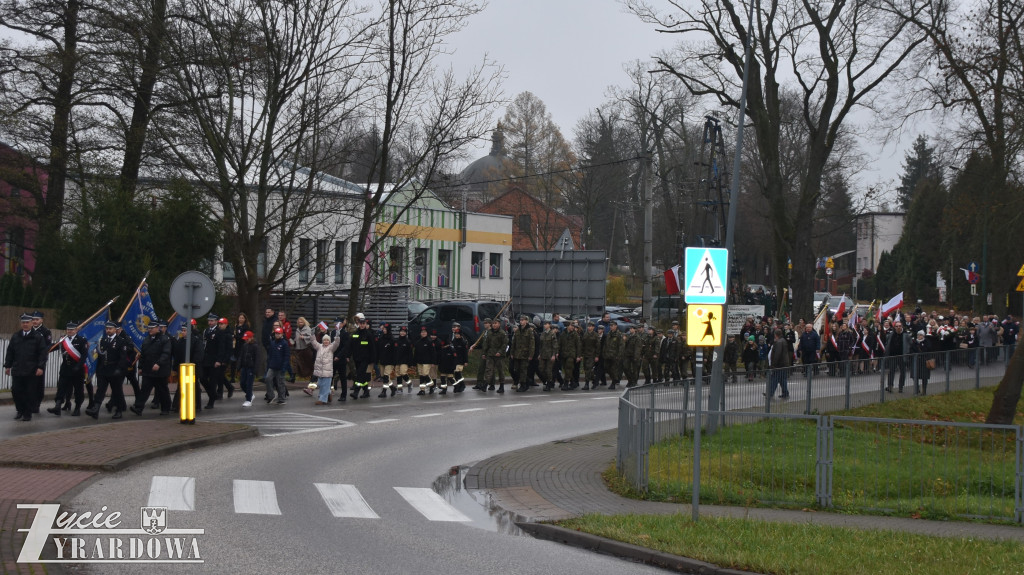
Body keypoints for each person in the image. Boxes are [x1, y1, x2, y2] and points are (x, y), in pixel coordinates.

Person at [5, 313, 47, 422]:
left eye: (27, 322)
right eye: (23, 322)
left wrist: (40, 367)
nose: (25, 324)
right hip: (18, 369)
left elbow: (42, 353)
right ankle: (20, 410)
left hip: (31, 370)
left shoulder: (37, 337)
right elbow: (10, 352)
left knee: (29, 393)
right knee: (16, 391)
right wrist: (8, 365)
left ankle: (27, 413)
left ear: (31, 323)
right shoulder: (16, 336)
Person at [130, 319, 173, 415]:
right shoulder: (147, 339)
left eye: (152, 328)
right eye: (148, 328)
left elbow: (166, 353)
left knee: (162, 390)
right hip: (148, 369)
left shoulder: (164, 339)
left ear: (157, 328)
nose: (150, 330)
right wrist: (140, 367)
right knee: (144, 389)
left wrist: (159, 363)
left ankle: (166, 408)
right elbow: (143, 354)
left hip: (160, 370)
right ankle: (138, 408)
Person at [87, 321, 129, 419]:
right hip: (103, 370)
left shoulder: (121, 341)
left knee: (117, 391)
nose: (108, 330)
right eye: (107, 329)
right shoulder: (103, 340)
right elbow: (100, 356)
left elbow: (123, 357)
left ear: (115, 330)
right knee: (100, 390)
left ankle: (119, 410)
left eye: (110, 329)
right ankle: (95, 409)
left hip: (114, 369)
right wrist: (98, 369)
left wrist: (119, 369)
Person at [48, 320, 89, 416]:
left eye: (72, 329)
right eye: (68, 329)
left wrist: (78, 367)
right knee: (61, 388)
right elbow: (54, 347)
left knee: (78, 390)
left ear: (76, 330)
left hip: (77, 369)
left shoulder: (82, 340)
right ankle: (57, 406)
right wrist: (44, 349)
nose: (69, 331)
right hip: (66, 368)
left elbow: (84, 356)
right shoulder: (63, 340)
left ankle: (77, 407)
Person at [29, 310, 52, 414]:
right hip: (28, 361)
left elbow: (47, 346)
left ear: (41, 320)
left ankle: (36, 404)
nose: (34, 321)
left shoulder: (46, 332)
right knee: (28, 383)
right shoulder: (28, 330)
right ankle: (28, 404)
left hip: (40, 361)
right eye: (33, 319)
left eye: (37, 319)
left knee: (38, 384)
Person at [309, 332, 342, 405]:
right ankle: (328, 393)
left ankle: (323, 399)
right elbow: (314, 342)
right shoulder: (319, 347)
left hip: (327, 371)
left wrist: (337, 336)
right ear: (322, 341)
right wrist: (312, 334)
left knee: (325, 385)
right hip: (320, 371)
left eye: (327, 340)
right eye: (324, 340)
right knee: (320, 384)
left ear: (329, 341)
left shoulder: (331, 347)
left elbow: (336, 343)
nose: (326, 341)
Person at [349, 314, 376, 400]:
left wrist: (372, 359)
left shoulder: (368, 334)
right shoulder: (355, 334)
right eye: (360, 323)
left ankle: (356, 392)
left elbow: (372, 348)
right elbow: (351, 345)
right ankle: (366, 392)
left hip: (365, 359)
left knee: (359, 375)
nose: (362, 325)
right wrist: (348, 355)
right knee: (363, 376)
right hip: (357, 358)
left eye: (363, 323)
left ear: (365, 324)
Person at [480, 318, 508, 393]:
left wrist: (500, 352)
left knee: (500, 371)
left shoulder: (502, 333)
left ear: (499, 324)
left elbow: (504, 344)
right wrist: (484, 353)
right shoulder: (489, 332)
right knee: (489, 370)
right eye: (493, 323)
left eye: (496, 323)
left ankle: (501, 386)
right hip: (490, 354)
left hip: (499, 355)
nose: (494, 325)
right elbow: (486, 343)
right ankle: (486, 384)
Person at [510, 315, 536, 392]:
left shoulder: (529, 331)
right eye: (520, 320)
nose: (521, 321)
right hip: (517, 353)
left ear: (526, 321)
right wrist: (512, 352)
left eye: (523, 320)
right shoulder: (518, 330)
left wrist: (531, 354)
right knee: (517, 369)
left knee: (523, 369)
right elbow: (514, 342)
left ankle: (523, 384)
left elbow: (532, 344)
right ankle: (527, 381)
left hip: (525, 354)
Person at [265, 327, 290, 404]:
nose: (277, 335)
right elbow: (270, 354)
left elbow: (286, 356)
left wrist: (284, 367)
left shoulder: (284, 343)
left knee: (280, 383)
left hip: (280, 367)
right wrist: (269, 364)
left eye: (279, 333)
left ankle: (281, 398)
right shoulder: (272, 343)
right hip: (272, 366)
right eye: (276, 333)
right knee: (267, 378)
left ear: (282, 334)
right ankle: (271, 395)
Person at [885, 321, 911, 393]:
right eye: (897, 326)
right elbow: (887, 343)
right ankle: (890, 386)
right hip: (893, 356)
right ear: (894, 327)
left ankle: (901, 386)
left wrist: (907, 352)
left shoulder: (906, 335)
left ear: (902, 326)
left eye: (900, 326)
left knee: (903, 372)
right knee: (891, 371)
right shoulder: (891, 334)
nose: (898, 327)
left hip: (902, 356)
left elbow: (910, 344)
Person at [766, 328, 792, 400]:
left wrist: (773, 364)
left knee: (774, 379)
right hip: (784, 363)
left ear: (775, 335)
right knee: (782, 379)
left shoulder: (779, 342)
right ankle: (785, 393)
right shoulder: (783, 340)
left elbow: (777, 354)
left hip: (779, 364)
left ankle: (770, 393)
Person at [235, 331, 258, 406]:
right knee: (242, 383)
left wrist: (255, 369)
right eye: (245, 339)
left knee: (249, 384)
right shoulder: (245, 345)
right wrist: (239, 366)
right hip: (244, 367)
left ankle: (248, 399)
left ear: (251, 338)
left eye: (247, 339)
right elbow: (241, 356)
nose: (246, 340)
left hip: (251, 367)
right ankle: (250, 394)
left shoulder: (255, 346)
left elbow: (257, 358)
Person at [414, 325, 437, 395]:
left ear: (427, 333)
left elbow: (433, 353)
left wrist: (433, 362)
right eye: (422, 332)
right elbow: (416, 353)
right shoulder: (418, 342)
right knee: (421, 376)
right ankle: (422, 390)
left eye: (425, 332)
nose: (423, 333)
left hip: (427, 361)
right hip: (420, 362)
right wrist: (414, 362)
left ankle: (432, 386)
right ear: (420, 333)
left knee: (425, 374)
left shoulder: (430, 341)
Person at [538, 320, 559, 391]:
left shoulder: (552, 334)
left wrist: (554, 355)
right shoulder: (543, 334)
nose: (545, 325)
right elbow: (540, 345)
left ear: (549, 325)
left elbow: (555, 345)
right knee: (541, 369)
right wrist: (540, 354)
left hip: (550, 355)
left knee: (548, 370)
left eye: (546, 324)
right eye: (544, 324)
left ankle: (549, 384)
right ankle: (547, 381)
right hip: (543, 354)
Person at [602, 322, 624, 390]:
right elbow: (606, 345)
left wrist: (619, 355)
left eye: (612, 325)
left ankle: (613, 383)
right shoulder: (609, 334)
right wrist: (604, 353)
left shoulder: (619, 335)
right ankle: (615, 378)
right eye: (610, 326)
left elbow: (621, 346)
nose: (611, 327)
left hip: (615, 356)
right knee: (606, 368)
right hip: (608, 355)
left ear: (616, 326)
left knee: (613, 369)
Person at [230, 313, 251, 384]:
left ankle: (242, 377)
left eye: (242, 318)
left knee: (241, 362)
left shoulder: (246, 327)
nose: (241, 319)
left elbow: (243, 337)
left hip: (242, 346)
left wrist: (235, 336)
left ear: (245, 319)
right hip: (234, 346)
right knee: (233, 362)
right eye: (240, 318)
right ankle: (232, 377)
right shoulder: (236, 326)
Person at [911, 330, 933, 395]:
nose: (919, 336)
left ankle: (924, 391)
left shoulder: (926, 342)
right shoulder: (914, 342)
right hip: (916, 361)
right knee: (915, 376)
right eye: (918, 335)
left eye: (920, 335)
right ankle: (917, 388)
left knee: (924, 377)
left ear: (923, 336)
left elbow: (928, 349)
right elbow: (911, 350)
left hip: (924, 361)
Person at [580, 322, 601, 390]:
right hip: (585, 354)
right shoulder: (585, 334)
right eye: (588, 326)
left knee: (588, 368)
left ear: (593, 327)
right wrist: (581, 354)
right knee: (586, 369)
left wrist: (597, 356)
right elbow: (582, 345)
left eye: (590, 326)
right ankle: (594, 380)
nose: (589, 327)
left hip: (592, 355)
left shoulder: (595, 335)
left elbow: (598, 346)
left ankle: (587, 384)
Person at [450, 322, 469, 392]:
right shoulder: (453, 341)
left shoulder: (463, 342)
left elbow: (465, 353)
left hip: (460, 360)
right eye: (456, 334)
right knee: (455, 374)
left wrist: (466, 361)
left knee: (458, 373)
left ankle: (462, 385)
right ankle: (458, 385)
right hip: (454, 360)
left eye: (458, 334)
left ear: (461, 335)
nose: (457, 335)